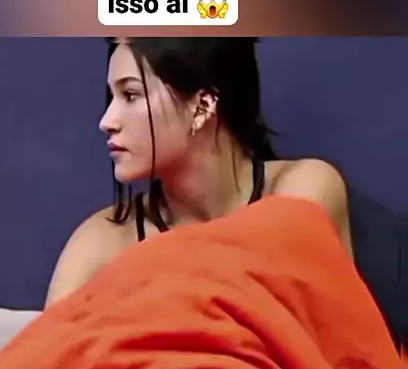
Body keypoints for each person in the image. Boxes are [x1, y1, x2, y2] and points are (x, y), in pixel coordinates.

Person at [46, 37, 352, 307]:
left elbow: (324, 334)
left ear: (203, 105)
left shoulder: (302, 192)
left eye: (130, 95)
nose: (106, 121)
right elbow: (46, 351)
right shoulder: (101, 244)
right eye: (112, 97)